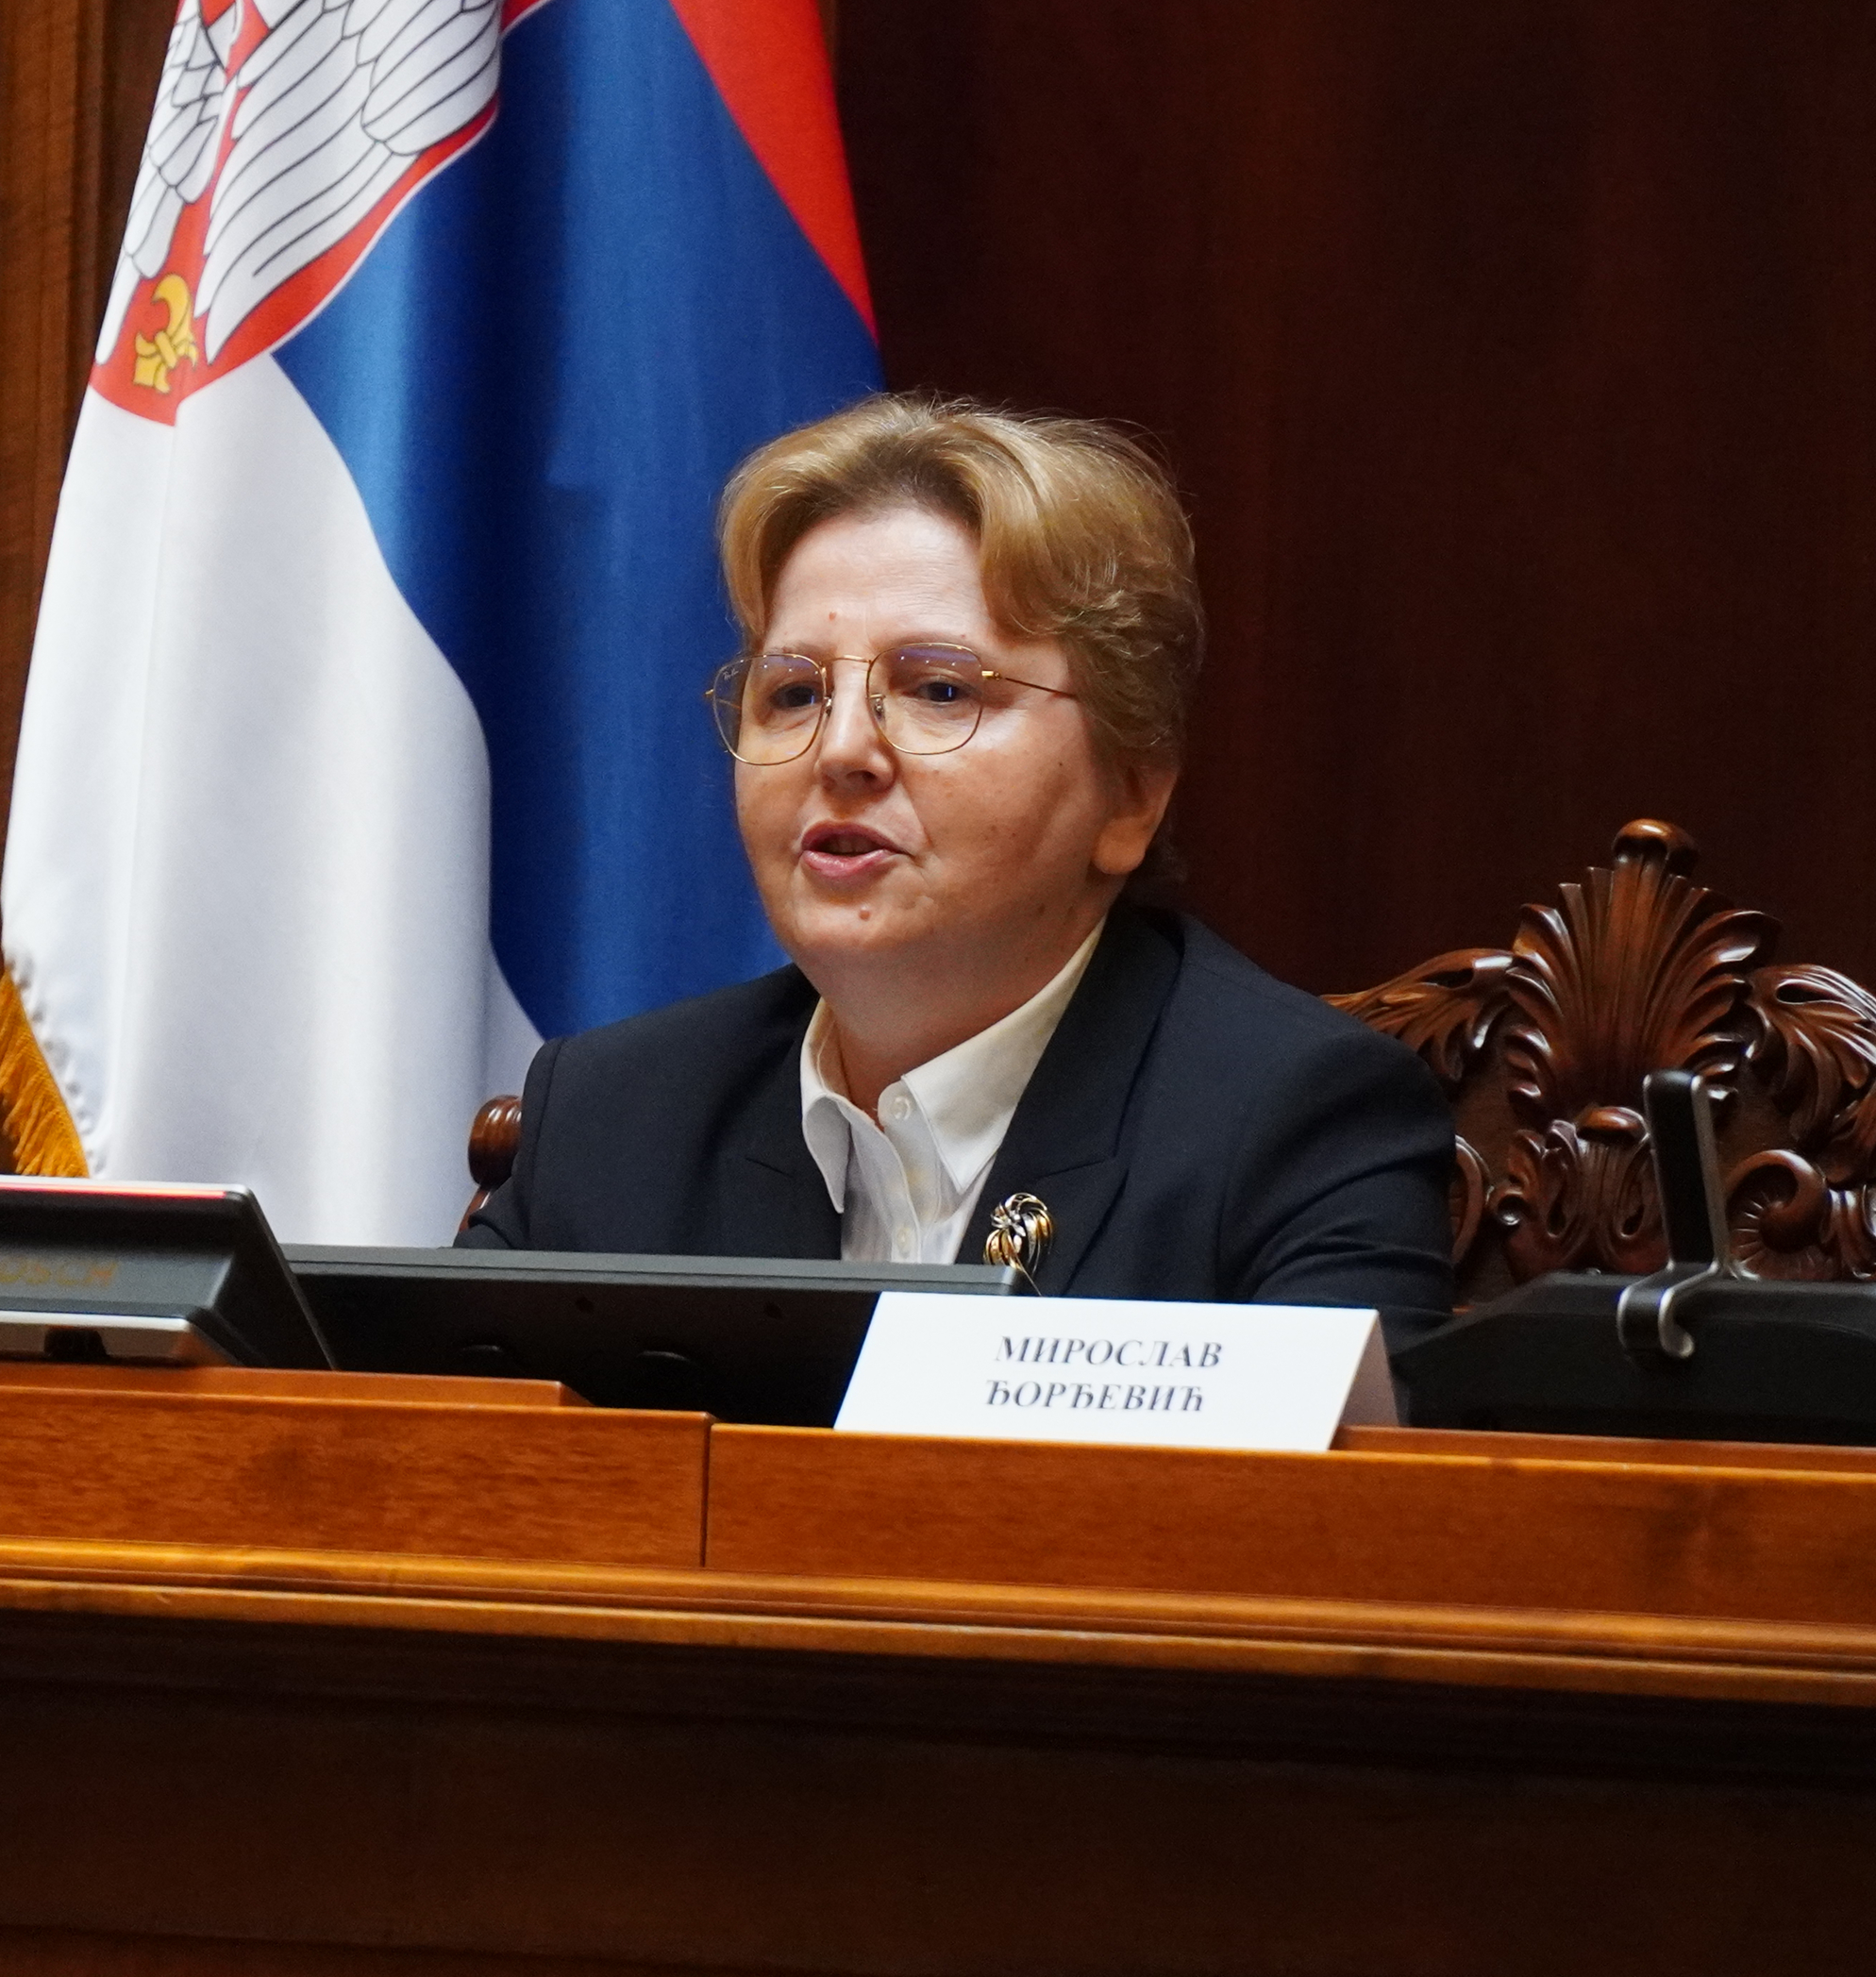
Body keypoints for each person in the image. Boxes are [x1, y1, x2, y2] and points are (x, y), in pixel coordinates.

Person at [461, 394, 1451, 1315]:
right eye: (794, 693)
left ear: (1133, 789)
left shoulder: (1293, 1129)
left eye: (938, 690)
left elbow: (1330, 1508)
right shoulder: (609, 1123)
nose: (842, 750)